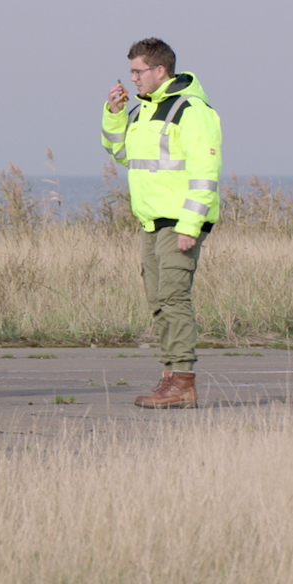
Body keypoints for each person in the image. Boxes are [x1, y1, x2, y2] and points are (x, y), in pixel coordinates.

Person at [103, 37, 221, 409]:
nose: (133, 79)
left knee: (173, 298)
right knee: (158, 301)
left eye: (138, 72)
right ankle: (171, 376)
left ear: (159, 70)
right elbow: (120, 152)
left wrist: (190, 224)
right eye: (131, 72)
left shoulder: (192, 110)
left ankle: (183, 379)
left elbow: (206, 170)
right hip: (151, 222)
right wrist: (114, 113)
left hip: (178, 222)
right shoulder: (142, 112)